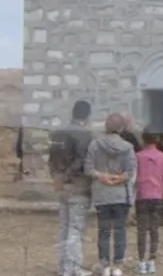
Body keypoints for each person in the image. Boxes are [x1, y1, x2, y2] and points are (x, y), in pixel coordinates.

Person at [84, 113, 137, 276]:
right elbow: (130, 171)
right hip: (120, 194)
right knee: (120, 229)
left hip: (102, 193)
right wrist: (117, 178)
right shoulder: (128, 147)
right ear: (121, 128)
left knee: (104, 230)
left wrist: (102, 176)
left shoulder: (94, 145)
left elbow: (88, 168)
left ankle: (105, 265)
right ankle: (118, 266)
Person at [49, 100, 94, 276]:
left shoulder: (58, 133)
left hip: (62, 187)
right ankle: (72, 268)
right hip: (77, 187)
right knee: (75, 228)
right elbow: (81, 161)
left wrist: (56, 178)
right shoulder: (84, 135)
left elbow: (51, 159)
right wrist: (66, 176)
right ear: (87, 116)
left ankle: (62, 267)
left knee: (63, 227)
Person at [134, 128, 163, 274]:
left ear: (143, 140)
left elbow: (133, 178)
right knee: (154, 228)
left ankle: (141, 261)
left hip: (142, 196)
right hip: (157, 195)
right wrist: (160, 188)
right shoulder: (162, 156)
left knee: (142, 229)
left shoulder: (138, 156)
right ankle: (152, 260)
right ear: (156, 139)